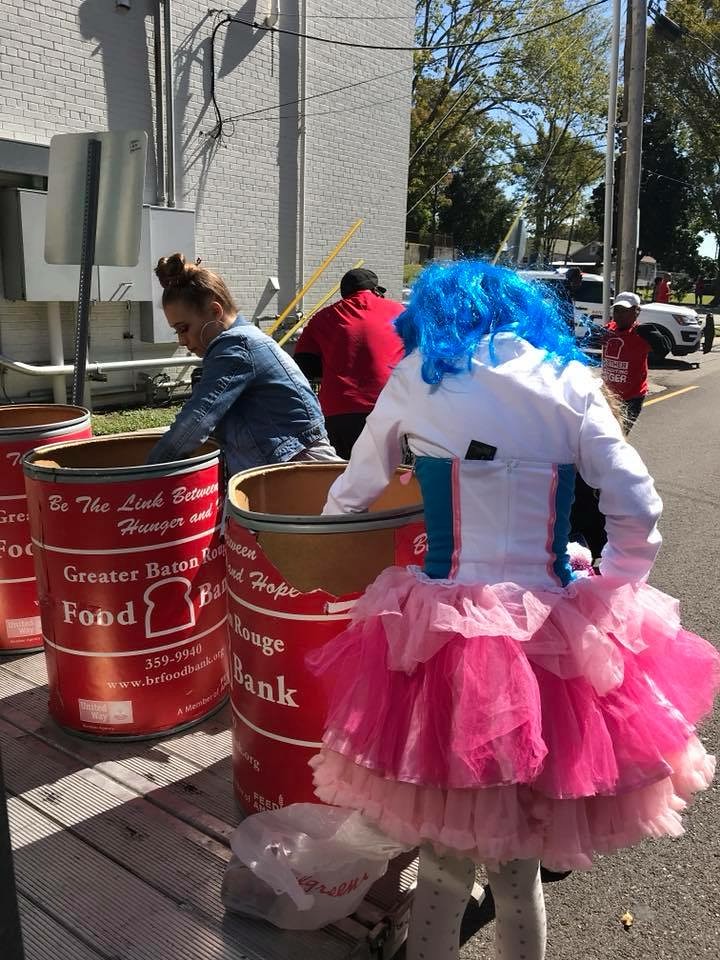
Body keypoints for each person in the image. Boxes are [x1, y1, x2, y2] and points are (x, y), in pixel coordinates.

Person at [307, 261, 719, 960]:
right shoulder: (568, 381)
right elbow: (639, 509)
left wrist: (325, 551)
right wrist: (610, 587)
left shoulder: (419, 379)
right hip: (550, 628)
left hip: (440, 630)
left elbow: (351, 494)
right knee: (519, 863)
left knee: (442, 858)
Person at [146, 254, 337, 473]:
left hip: (297, 474)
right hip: (295, 467)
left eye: (183, 328)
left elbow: (196, 421)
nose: (182, 341)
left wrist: (148, 472)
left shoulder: (235, 346)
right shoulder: (247, 340)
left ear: (215, 312)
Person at [294, 268, 404, 459]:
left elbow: (304, 366)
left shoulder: (322, 318)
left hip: (339, 411)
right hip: (389, 408)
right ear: (375, 291)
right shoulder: (399, 312)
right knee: (391, 478)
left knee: (343, 475)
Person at [601, 291, 668, 431]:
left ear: (636, 312)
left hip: (631, 397)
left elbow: (663, 350)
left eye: (624, 311)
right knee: (602, 433)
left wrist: (657, 339)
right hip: (608, 396)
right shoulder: (608, 330)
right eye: (617, 310)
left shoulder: (641, 333)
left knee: (618, 436)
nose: (619, 315)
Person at [558, 265, 583, 333]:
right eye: (579, 278)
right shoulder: (564, 293)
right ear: (572, 280)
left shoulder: (569, 292)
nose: (580, 283)